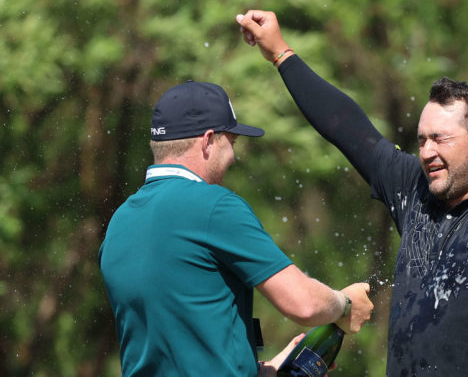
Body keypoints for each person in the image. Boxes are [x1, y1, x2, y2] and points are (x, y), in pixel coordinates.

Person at [236, 0, 468, 376]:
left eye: (440, 139)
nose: (426, 152)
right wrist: (280, 53)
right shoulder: (414, 190)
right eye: (422, 139)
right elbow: (345, 127)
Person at [98, 80, 374, 376]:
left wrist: (261, 370)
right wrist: (344, 304)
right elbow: (304, 304)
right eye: (231, 142)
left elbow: (170, 339)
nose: (233, 156)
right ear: (207, 141)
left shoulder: (119, 221)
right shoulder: (213, 205)